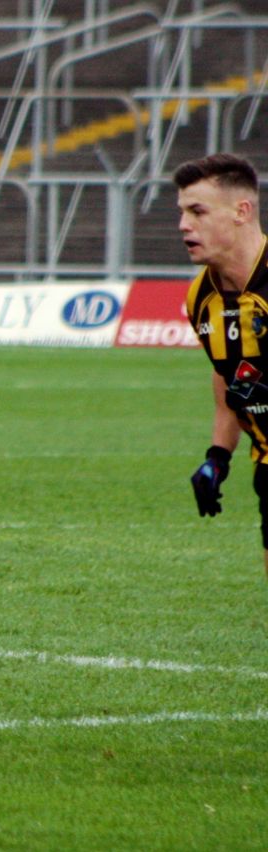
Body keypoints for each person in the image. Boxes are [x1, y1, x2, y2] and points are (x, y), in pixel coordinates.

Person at [179, 152, 268, 581]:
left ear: (241, 211)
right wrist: (218, 458)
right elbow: (226, 378)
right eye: (181, 212)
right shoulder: (200, 299)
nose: (183, 224)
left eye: (197, 211)